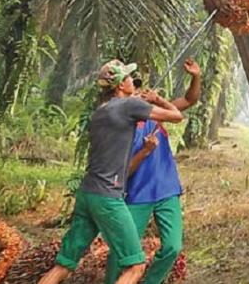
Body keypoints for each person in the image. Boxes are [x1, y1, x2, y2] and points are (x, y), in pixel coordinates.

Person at [39, 59, 185, 284]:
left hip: (87, 194)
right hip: (108, 198)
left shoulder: (99, 113)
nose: (133, 82)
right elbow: (176, 116)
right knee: (135, 266)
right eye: (128, 78)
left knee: (64, 265)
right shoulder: (128, 106)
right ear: (119, 86)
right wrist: (156, 100)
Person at [105, 58, 201, 284]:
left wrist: (196, 76)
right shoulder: (119, 126)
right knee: (122, 253)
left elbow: (189, 100)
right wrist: (145, 151)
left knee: (172, 247)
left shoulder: (157, 113)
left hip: (167, 191)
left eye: (139, 89)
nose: (138, 92)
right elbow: (123, 172)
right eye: (133, 88)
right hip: (137, 195)